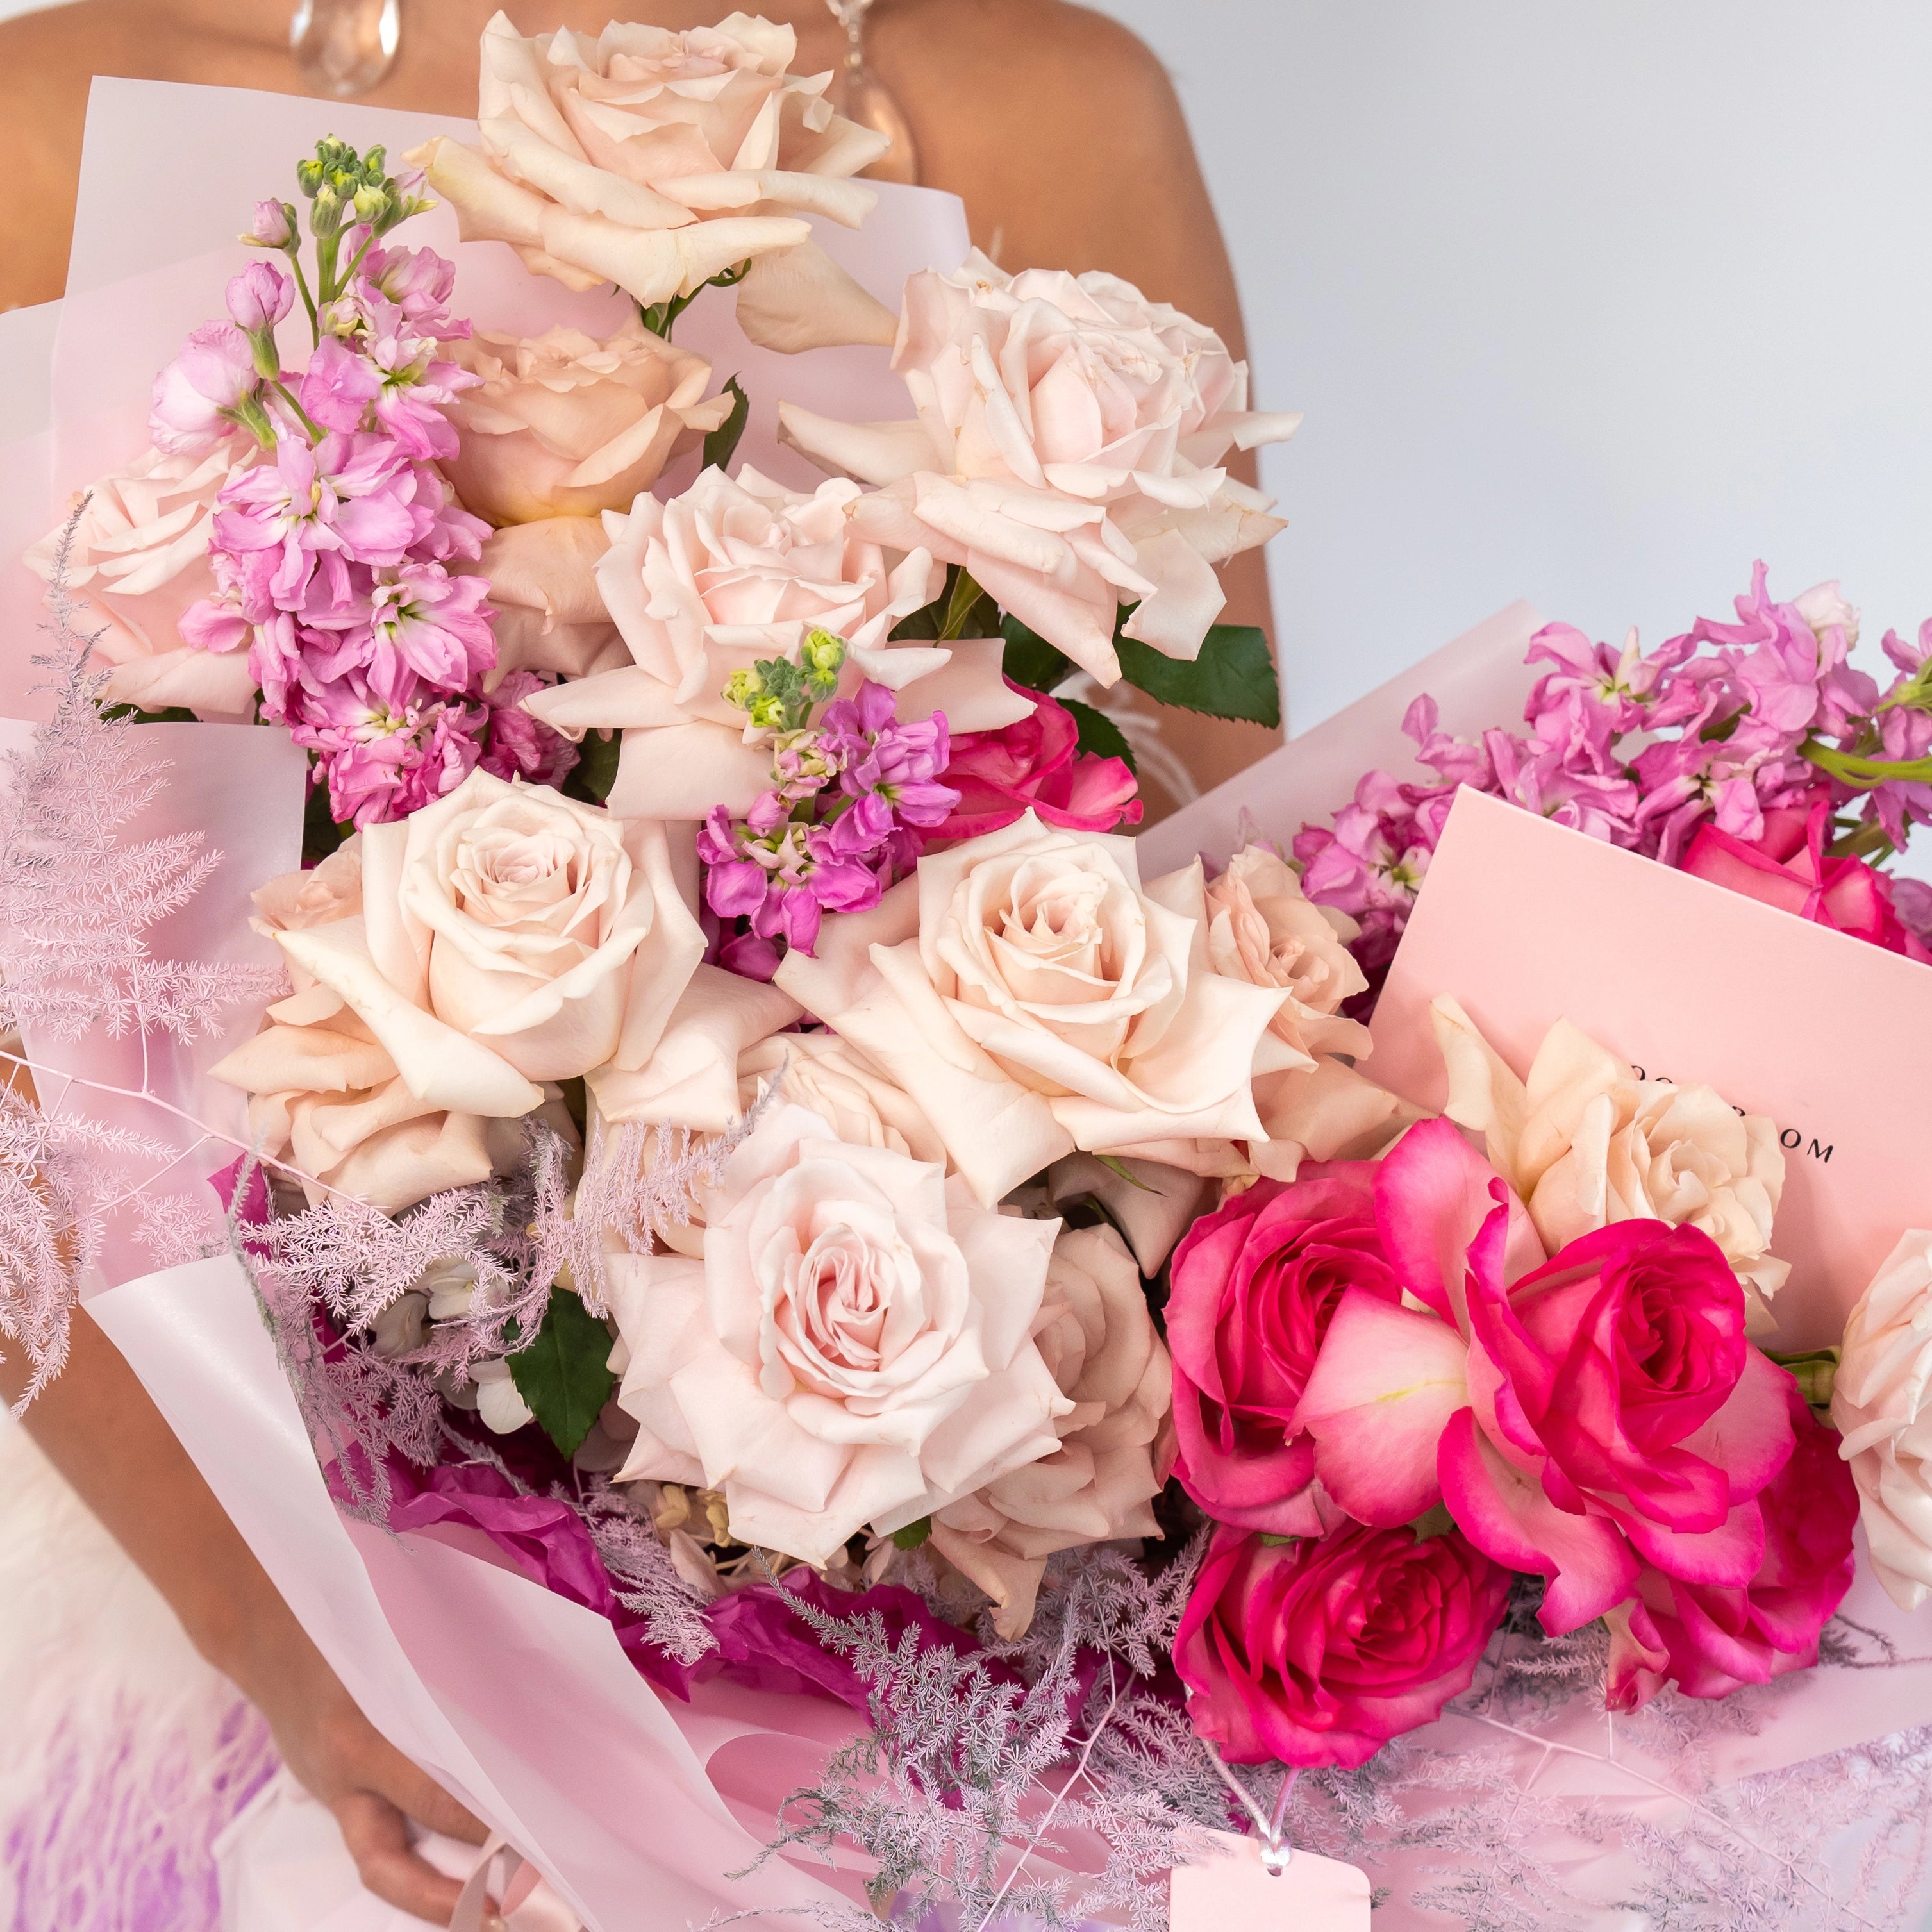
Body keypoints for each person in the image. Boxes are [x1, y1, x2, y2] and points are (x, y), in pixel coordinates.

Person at [0, 2, 1285, 1922]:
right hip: (257, 1548)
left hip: (906, 1526)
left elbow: (1227, 912)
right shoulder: (43, 122)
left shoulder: (1040, 102)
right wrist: (277, 1626)